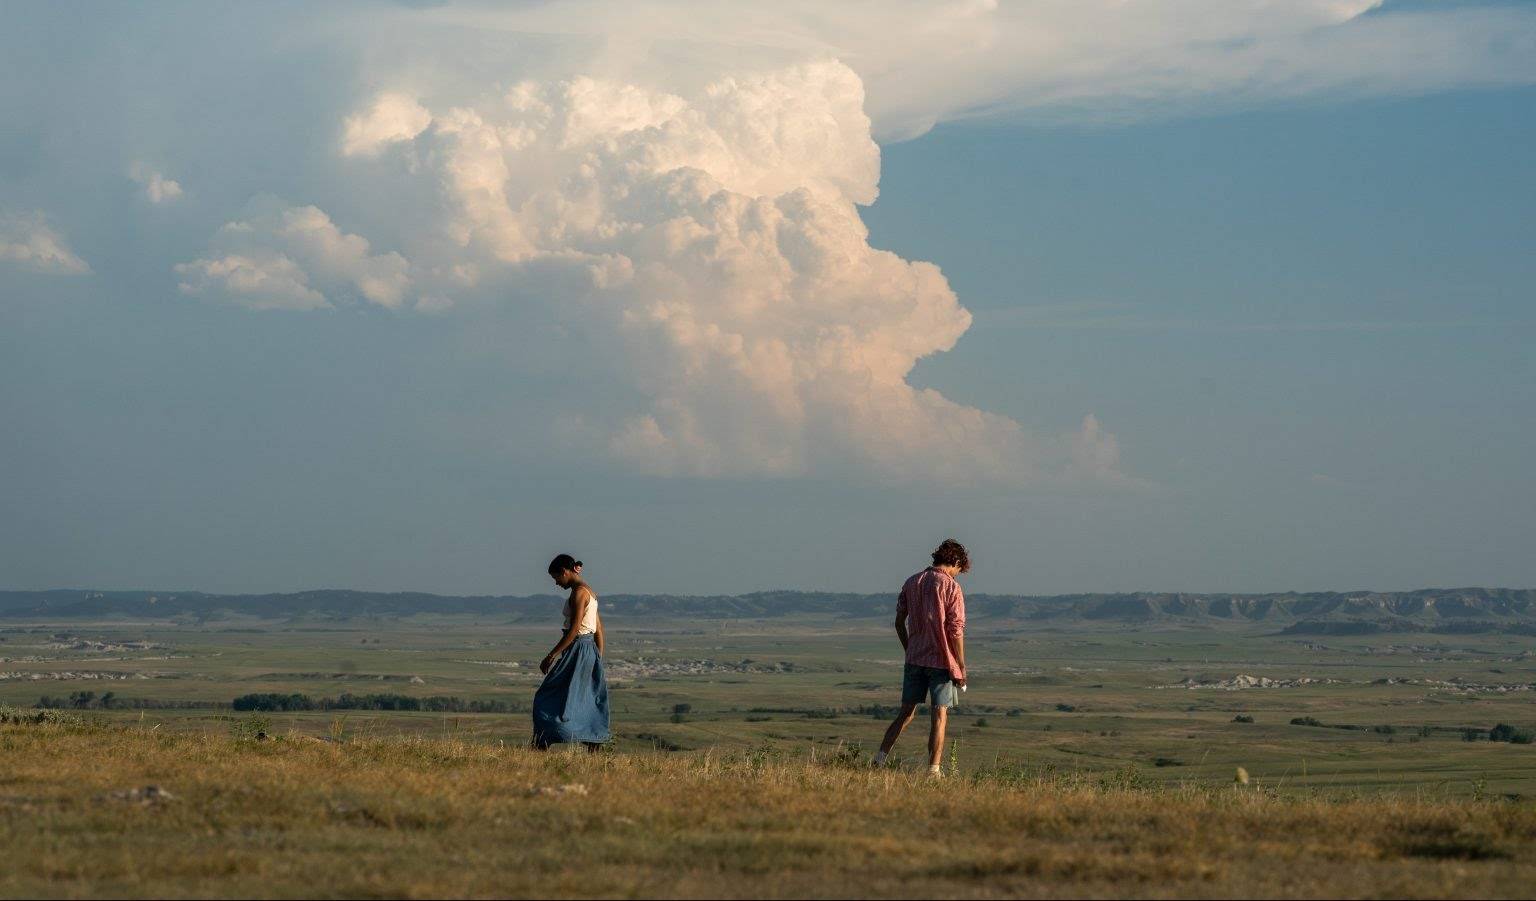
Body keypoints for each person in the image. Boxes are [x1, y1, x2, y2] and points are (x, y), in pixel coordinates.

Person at [873, 539, 969, 777]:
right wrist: (961, 664)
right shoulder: (951, 587)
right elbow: (955, 630)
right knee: (940, 714)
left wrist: (909, 648)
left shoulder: (912, 581)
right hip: (942, 660)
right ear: (955, 562)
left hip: (914, 658)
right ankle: (933, 771)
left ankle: (880, 759)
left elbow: (898, 622)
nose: (958, 575)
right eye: (960, 570)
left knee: (906, 712)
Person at [532, 553, 610, 751]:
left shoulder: (579, 593)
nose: (557, 583)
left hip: (577, 647)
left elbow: (575, 629)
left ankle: (544, 740)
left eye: (556, 577)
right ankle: (592, 741)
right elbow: (598, 629)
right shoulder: (589, 592)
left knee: (547, 694)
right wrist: (597, 657)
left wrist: (551, 655)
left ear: (565, 572)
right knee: (584, 697)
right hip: (588, 650)